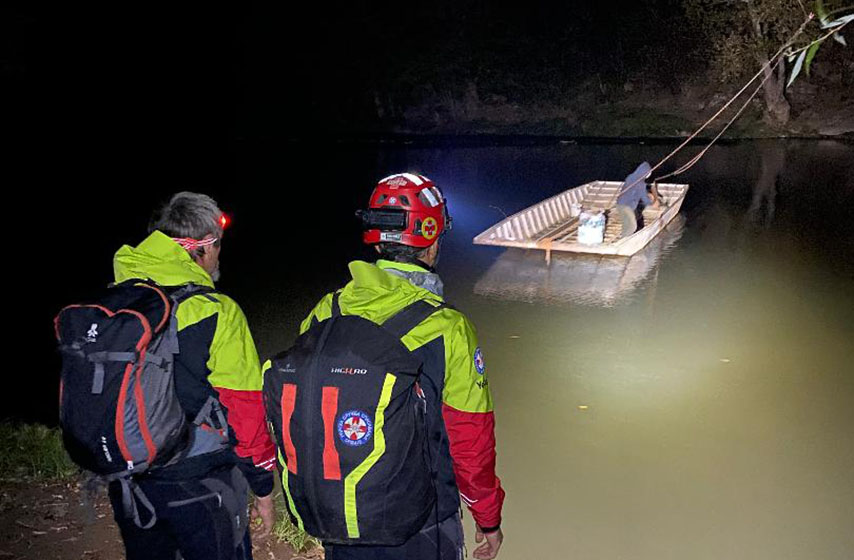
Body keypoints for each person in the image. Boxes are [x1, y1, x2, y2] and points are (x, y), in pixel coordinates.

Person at [298, 173, 506, 560]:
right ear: (431, 240)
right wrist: (487, 516)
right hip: (421, 521)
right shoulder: (447, 328)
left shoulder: (326, 311)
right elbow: (470, 440)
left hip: (340, 513)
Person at [107, 192, 276, 560]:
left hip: (128, 480)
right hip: (201, 480)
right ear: (203, 247)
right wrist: (262, 486)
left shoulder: (115, 300)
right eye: (218, 245)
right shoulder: (217, 311)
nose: (219, 255)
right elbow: (244, 408)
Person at [612, 161, 661, 236]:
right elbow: (645, 200)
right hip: (627, 207)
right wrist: (653, 202)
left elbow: (632, 191)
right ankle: (624, 241)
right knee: (632, 226)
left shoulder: (630, 177)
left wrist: (647, 193)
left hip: (619, 204)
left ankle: (623, 236)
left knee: (626, 224)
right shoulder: (641, 184)